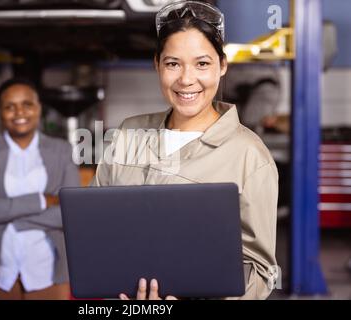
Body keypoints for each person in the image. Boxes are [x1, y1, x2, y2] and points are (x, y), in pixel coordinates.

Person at [91, 0, 278, 300]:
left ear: (222, 66)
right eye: (173, 63)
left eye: (202, 63)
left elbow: (260, 271)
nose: (186, 79)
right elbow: (96, 228)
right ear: (157, 65)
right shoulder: (128, 134)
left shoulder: (250, 156)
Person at [0, 78, 79, 299]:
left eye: (27, 104)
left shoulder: (62, 151)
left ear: (38, 108)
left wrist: (8, 218)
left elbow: (70, 213)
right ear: (0, 112)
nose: (19, 112)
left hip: (49, 270)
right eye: (9, 106)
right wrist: (41, 201)